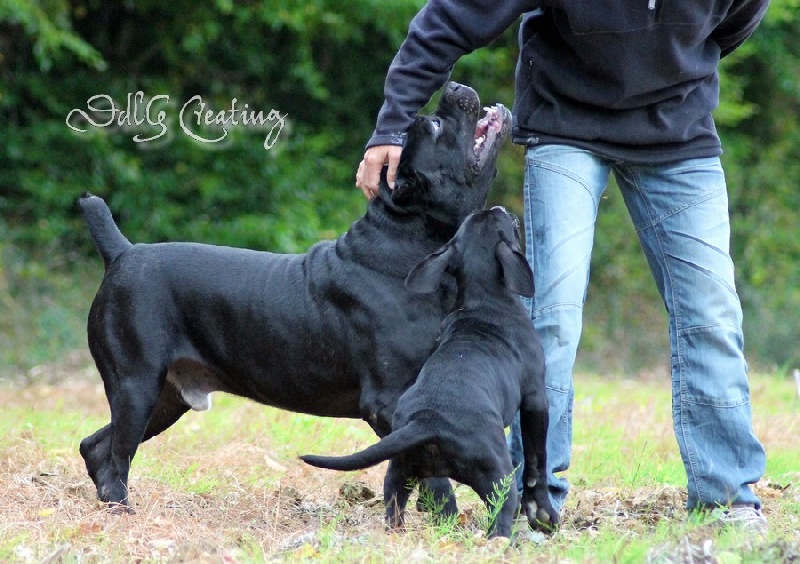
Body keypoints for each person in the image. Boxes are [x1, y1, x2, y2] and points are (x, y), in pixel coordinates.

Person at [355, 0, 770, 532]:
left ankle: (726, 500)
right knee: (550, 315)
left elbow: (733, 23)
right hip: (567, 123)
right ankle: (533, 500)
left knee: (712, 315)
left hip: (679, 129)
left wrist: (669, 63)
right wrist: (392, 125)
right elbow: (451, 18)